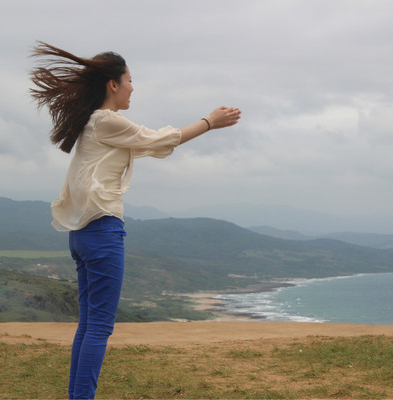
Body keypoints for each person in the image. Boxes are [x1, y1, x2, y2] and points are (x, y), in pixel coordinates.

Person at [29, 41, 241, 399]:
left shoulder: (95, 124)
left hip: (82, 234)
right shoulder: (106, 120)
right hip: (101, 231)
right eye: (129, 80)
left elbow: (150, 145)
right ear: (113, 84)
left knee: (88, 324)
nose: (132, 87)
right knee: (99, 326)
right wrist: (209, 122)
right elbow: (160, 139)